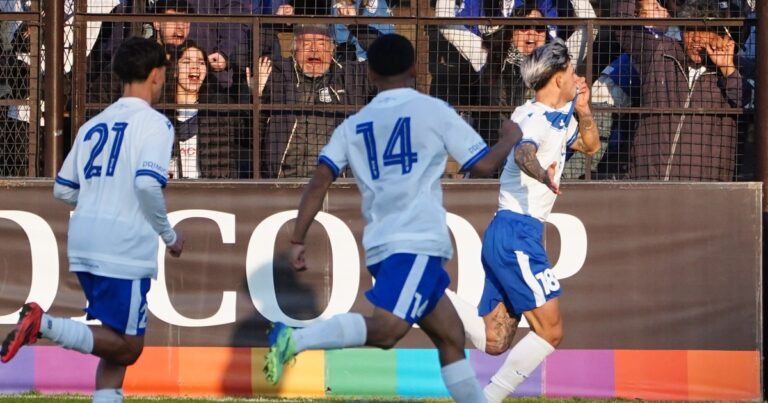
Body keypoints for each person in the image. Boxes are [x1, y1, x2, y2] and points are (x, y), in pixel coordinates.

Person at [262, 33, 523, 402]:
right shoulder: (434, 111)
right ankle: (296, 338)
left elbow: (319, 180)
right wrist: (510, 137)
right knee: (387, 333)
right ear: (415, 68)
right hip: (414, 242)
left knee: (450, 339)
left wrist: (298, 238)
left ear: (368, 73)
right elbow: (482, 164)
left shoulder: (353, 126)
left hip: (385, 246)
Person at [0, 37, 184, 403]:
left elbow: (63, 190)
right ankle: (44, 324)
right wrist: (169, 235)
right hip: (123, 245)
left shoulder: (93, 125)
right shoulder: (156, 125)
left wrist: (102, 195)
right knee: (130, 348)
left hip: (84, 241)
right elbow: (147, 184)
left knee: (114, 346)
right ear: (156, 75)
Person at [447, 38, 599, 403]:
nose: (578, 77)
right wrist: (542, 175)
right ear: (558, 76)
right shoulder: (532, 117)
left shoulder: (559, 117)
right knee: (552, 332)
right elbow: (522, 151)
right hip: (517, 231)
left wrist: (584, 110)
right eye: (573, 72)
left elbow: (591, 146)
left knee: (494, 341)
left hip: (513, 231)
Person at [612, 0, 745, 181]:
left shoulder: (737, 69)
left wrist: (728, 70)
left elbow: (746, 104)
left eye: (704, 30)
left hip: (703, 192)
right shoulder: (661, 52)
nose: (696, 38)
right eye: (689, 30)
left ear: (721, 35)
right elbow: (623, 27)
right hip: (646, 182)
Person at [258, 24, 374, 178]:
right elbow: (248, 134)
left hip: (338, 185)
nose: (314, 50)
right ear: (293, 51)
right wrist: (256, 96)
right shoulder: (278, 76)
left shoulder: (350, 76)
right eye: (306, 44)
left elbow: (393, 59)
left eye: (321, 44)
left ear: (332, 50)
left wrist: (355, 23)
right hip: (285, 183)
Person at [164, 40, 250, 178]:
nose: (195, 67)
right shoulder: (160, 114)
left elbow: (250, 135)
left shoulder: (220, 108)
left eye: (201, 62)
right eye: (186, 62)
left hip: (212, 194)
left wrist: (257, 96)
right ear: (174, 71)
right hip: (172, 194)